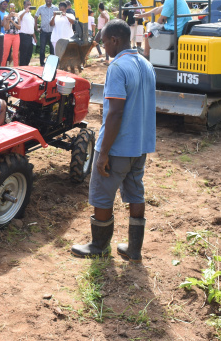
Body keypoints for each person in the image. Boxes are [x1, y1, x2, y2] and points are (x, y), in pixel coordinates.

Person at [71, 20, 156, 261]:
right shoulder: (147, 65)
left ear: (115, 40)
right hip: (140, 145)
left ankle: (99, 245)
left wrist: (104, 152)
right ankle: (134, 249)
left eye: (105, 41)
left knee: (101, 195)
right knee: (135, 193)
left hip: (118, 147)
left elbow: (115, 112)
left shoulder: (117, 67)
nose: (103, 46)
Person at [35, 0, 56, 66]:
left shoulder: (55, 8)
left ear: (51, 0)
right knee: (42, 48)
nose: (48, 0)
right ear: (45, 0)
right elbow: (36, 17)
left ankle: (52, 63)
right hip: (43, 31)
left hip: (53, 31)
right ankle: (42, 63)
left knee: (52, 48)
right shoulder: (41, 8)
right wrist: (36, 28)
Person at [1, 2, 21, 66]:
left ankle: (16, 69)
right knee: (5, 54)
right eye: (11, 8)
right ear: (8, 9)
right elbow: (6, 28)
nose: (12, 9)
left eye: (13, 8)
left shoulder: (18, 16)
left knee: (15, 54)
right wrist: (8, 18)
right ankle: (2, 68)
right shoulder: (6, 16)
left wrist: (12, 21)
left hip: (16, 36)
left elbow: (19, 27)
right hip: (8, 35)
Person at [18, 0, 36, 66]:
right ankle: (22, 67)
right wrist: (25, 11)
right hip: (23, 36)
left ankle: (26, 66)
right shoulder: (21, 12)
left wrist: (34, 37)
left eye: (30, 4)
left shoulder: (31, 16)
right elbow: (19, 18)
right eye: (27, 4)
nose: (29, 6)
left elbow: (32, 27)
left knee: (29, 54)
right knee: (23, 53)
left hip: (30, 37)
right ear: (24, 5)